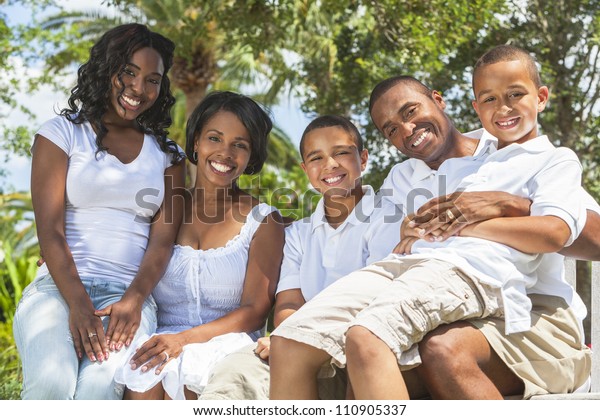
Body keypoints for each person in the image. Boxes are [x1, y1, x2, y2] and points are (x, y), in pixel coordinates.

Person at [269, 45, 597, 400]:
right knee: (319, 349)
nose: (408, 130)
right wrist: (431, 226)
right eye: (391, 130)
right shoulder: (400, 179)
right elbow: (393, 249)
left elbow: (576, 234)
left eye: (412, 111)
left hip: (526, 305)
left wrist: (507, 205)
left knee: (414, 347)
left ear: (438, 100)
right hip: (428, 284)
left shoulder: (504, 150)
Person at [12, 23, 185, 400]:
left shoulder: (169, 156)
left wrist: (134, 300)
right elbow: (50, 231)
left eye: (153, 80)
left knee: (98, 391)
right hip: (57, 291)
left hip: (128, 299)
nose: (139, 89)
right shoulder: (61, 134)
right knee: (51, 385)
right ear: (107, 70)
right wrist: (78, 304)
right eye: (129, 73)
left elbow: (161, 243)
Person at [197, 115, 400, 400]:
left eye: (341, 152)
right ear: (306, 170)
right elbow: (290, 302)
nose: (330, 165)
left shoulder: (386, 217)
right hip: (302, 344)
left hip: (362, 344)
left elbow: (380, 296)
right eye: (316, 158)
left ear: (363, 159)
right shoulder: (299, 234)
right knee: (233, 373)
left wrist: (299, 338)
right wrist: (287, 336)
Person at [114, 90, 285, 400]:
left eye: (240, 145)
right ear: (195, 142)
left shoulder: (263, 220)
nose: (225, 153)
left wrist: (183, 340)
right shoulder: (161, 208)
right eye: (215, 138)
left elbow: (255, 311)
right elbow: (112, 242)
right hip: (158, 338)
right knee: (146, 370)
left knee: (183, 370)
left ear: (251, 157)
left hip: (228, 344)